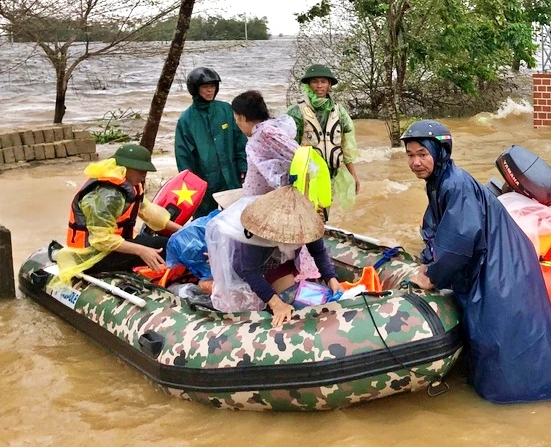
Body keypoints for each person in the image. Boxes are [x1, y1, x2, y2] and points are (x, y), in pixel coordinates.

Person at [401, 120, 551, 404]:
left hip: (501, 266)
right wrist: (429, 259)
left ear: (440, 153)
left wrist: (431, 275)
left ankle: (521, 397)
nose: (415, 162)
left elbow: (460, 238)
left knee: (502, 334)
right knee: (493, 335)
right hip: (495, 258)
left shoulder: (454, 184)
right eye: (410, 155)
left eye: (422, 154)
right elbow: (438, 229)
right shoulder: (440, 181)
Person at [206, 186, 341, 325]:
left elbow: (318, 252)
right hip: (248, 265)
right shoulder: (256, 232)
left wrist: (331, 278)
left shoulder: (306, 223)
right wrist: (276, 304)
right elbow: (250, 271)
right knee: (253, 306)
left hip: (279, 262)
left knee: (290, 297)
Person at [55, 144, 182, 285]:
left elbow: (151, 214)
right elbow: (100, 240)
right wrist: (142, 251)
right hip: (92, 257)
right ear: (124, 168)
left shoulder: (130, 185)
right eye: (139, 170)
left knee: (170, 243)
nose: (144, 174)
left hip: (110, 248)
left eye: (145, 170)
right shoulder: (109, 195)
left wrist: (184, 231)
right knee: (164, 248)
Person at [231, 89, 323, 281]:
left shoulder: (266, 133)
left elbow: (302, 158)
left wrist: (294, 186)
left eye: (237, 119)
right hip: (261, 201)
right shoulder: (261, 133)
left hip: (272, 204)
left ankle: (283, 281)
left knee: (246, 263)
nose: (237, 124)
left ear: (244, 118)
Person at [175, 66, 248, 217]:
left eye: (212, 86)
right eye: (205, 87)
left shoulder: (226, 109)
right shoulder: (186, 119)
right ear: (195, 89)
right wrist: (189, 183)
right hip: (204, 180)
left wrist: (243, 165)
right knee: (204, 221)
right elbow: (183, 155)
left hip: (230, 175)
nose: (210, 90)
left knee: (237, 217)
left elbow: (240, 141)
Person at [287, 64, 361, 208]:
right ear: (308, 85)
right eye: (315, 81)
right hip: (306, 176)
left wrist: (354, 175)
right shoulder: (296, 112)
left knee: (324, 211)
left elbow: (346, 146)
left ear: (329, 85)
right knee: (307, 212)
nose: (319, 86)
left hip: (330, 175)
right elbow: (287, 147)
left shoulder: (339, 111)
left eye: (323, 82)